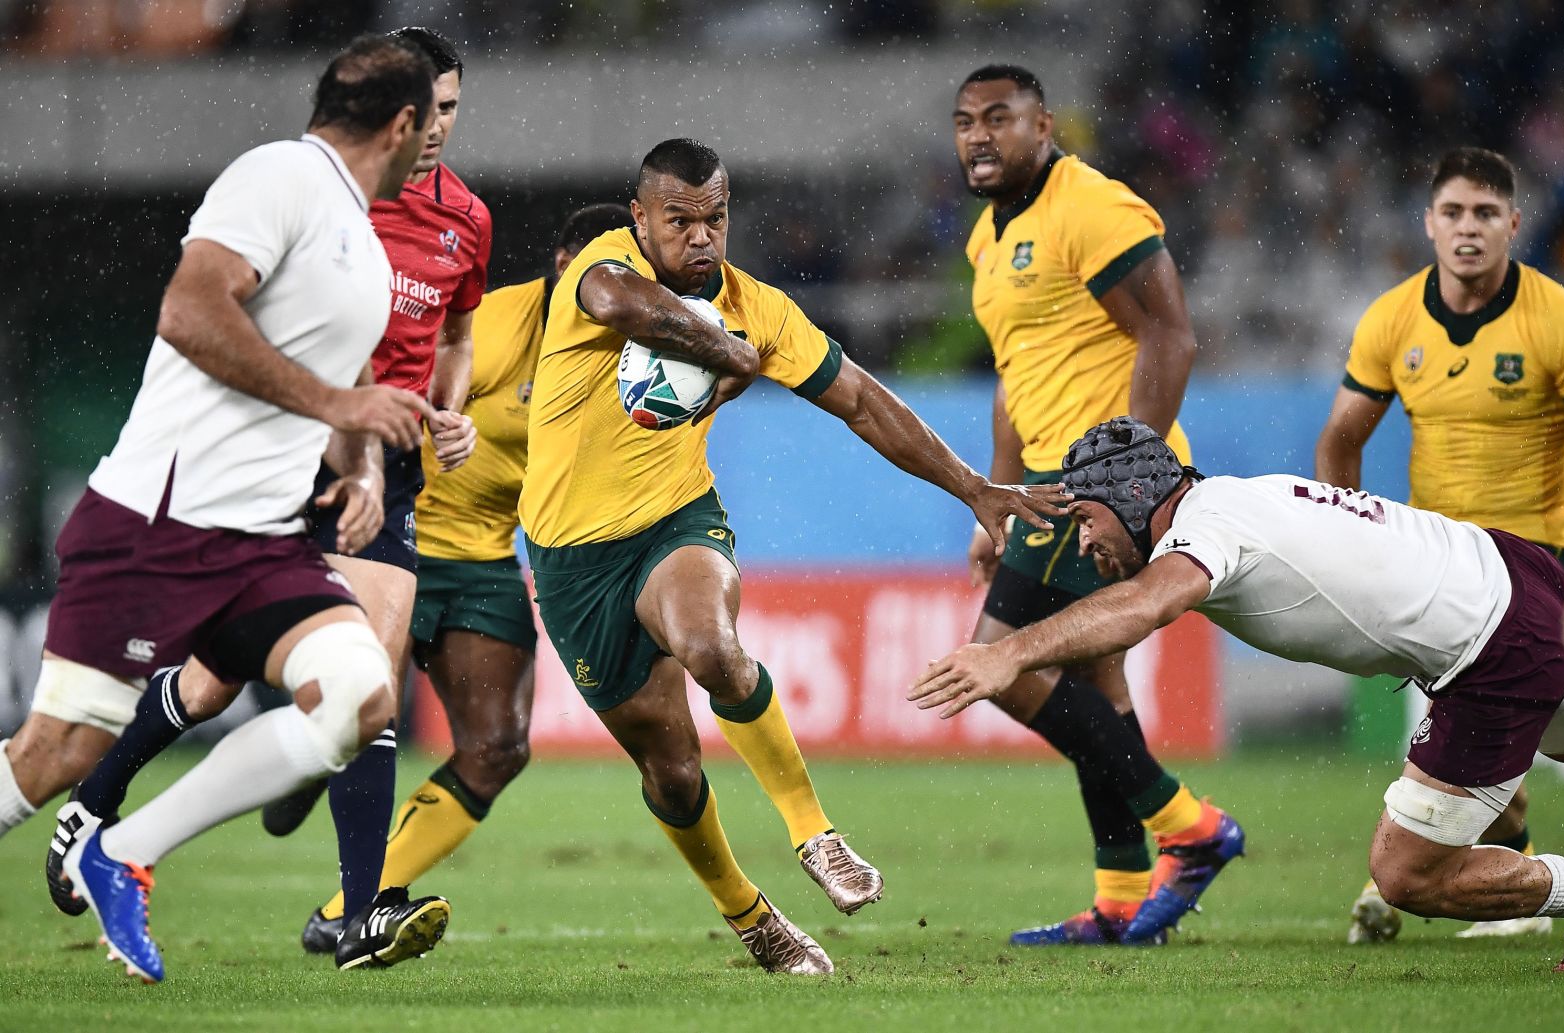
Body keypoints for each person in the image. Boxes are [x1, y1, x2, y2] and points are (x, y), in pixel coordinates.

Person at [518, 137, 1061, 974]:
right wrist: (726, 354)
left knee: (711, 646)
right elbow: (623, 306)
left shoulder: (758, 307)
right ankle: (752, 915)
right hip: (569, 560)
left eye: (716, 219)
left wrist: (974, 489)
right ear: (640, 220)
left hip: (674, 522)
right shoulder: (606, 262)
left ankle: (816, 832)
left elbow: (865, 404)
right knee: (670, 767)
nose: (701, 238)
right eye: (680, 220)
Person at [0, 35, 442, 983]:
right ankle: (94, 829)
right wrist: (340, 408)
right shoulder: (277, 175)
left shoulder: (361, 240)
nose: (440, 136)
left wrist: (362, 467)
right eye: (433, 119)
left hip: (258, 544)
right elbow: (190, 313)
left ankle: (120, 854)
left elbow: (352, 379)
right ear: (401, 126)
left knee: (359, 697)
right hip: (155, 522)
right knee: (52, 755)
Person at [911, 417, 1564, 975]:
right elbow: (1122, 622)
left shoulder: (1211, 527)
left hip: (1493, 648)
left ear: (1134, 494)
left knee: (1408, 876)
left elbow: (1144, 604)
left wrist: (1007, 652)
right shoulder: (1233, 500)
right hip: (1516, 572)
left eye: (1085, 518)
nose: (1083, 540)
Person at [950, 63, 1239, 946]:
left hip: (1101, 496)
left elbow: (1171, 333)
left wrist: (1126, 481)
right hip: (1041, 491)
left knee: (999, 664)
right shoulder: (985, 241)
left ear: (1046, 126)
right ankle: (1119, 900)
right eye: (965, 121)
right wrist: (993, 502)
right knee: (1093, 685)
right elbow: (1013, 374)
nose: (978, 135)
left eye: (1000, 118)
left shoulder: (1094, 208)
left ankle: (1188, 823)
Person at [298, 202, 638, 943]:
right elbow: (398, 391)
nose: (613, 289)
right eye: (599, 270)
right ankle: (280, 772)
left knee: (500, 745)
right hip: (402, 536)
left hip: (486, 555)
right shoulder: (499, 322)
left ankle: (354, 903)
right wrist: (442, 425)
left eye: (629, 274)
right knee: (352, 715)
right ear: (562, 266)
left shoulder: (631, 357)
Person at [1315, 146, 1564, 944]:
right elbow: (1341, 440)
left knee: (1552, 746)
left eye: (1487, 214)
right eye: (1455, 213)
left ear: (1514, 226)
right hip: (1447, 578)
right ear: (1428, 223)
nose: (1469, 229)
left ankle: (1482, 882)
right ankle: (1517, 884)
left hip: (1547, 573)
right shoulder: (1394, 318)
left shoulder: (1559, 319)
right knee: (1465, 750)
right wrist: (1352, 540)